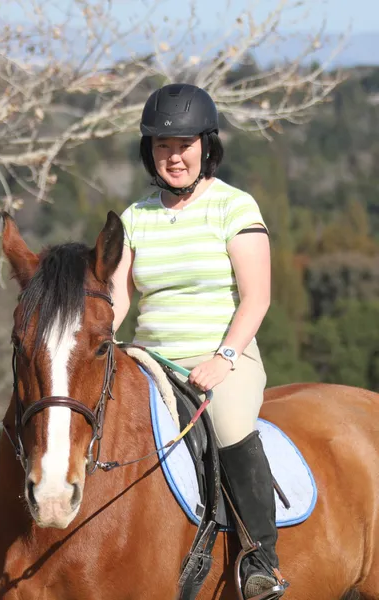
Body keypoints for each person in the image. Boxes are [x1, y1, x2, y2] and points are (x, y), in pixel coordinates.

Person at [112, 83, 282, 599]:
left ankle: (261, 560)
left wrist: (224, 357)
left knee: (229, 421)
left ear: (206, 146)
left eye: (184, 144)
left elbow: (257, 298)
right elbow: (118, 301)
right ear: (150, 152)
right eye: (163, 146)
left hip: (223, 357)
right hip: (149, 359)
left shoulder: (234, 206)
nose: (174, 157)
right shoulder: (134, 218)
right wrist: (105, 345)